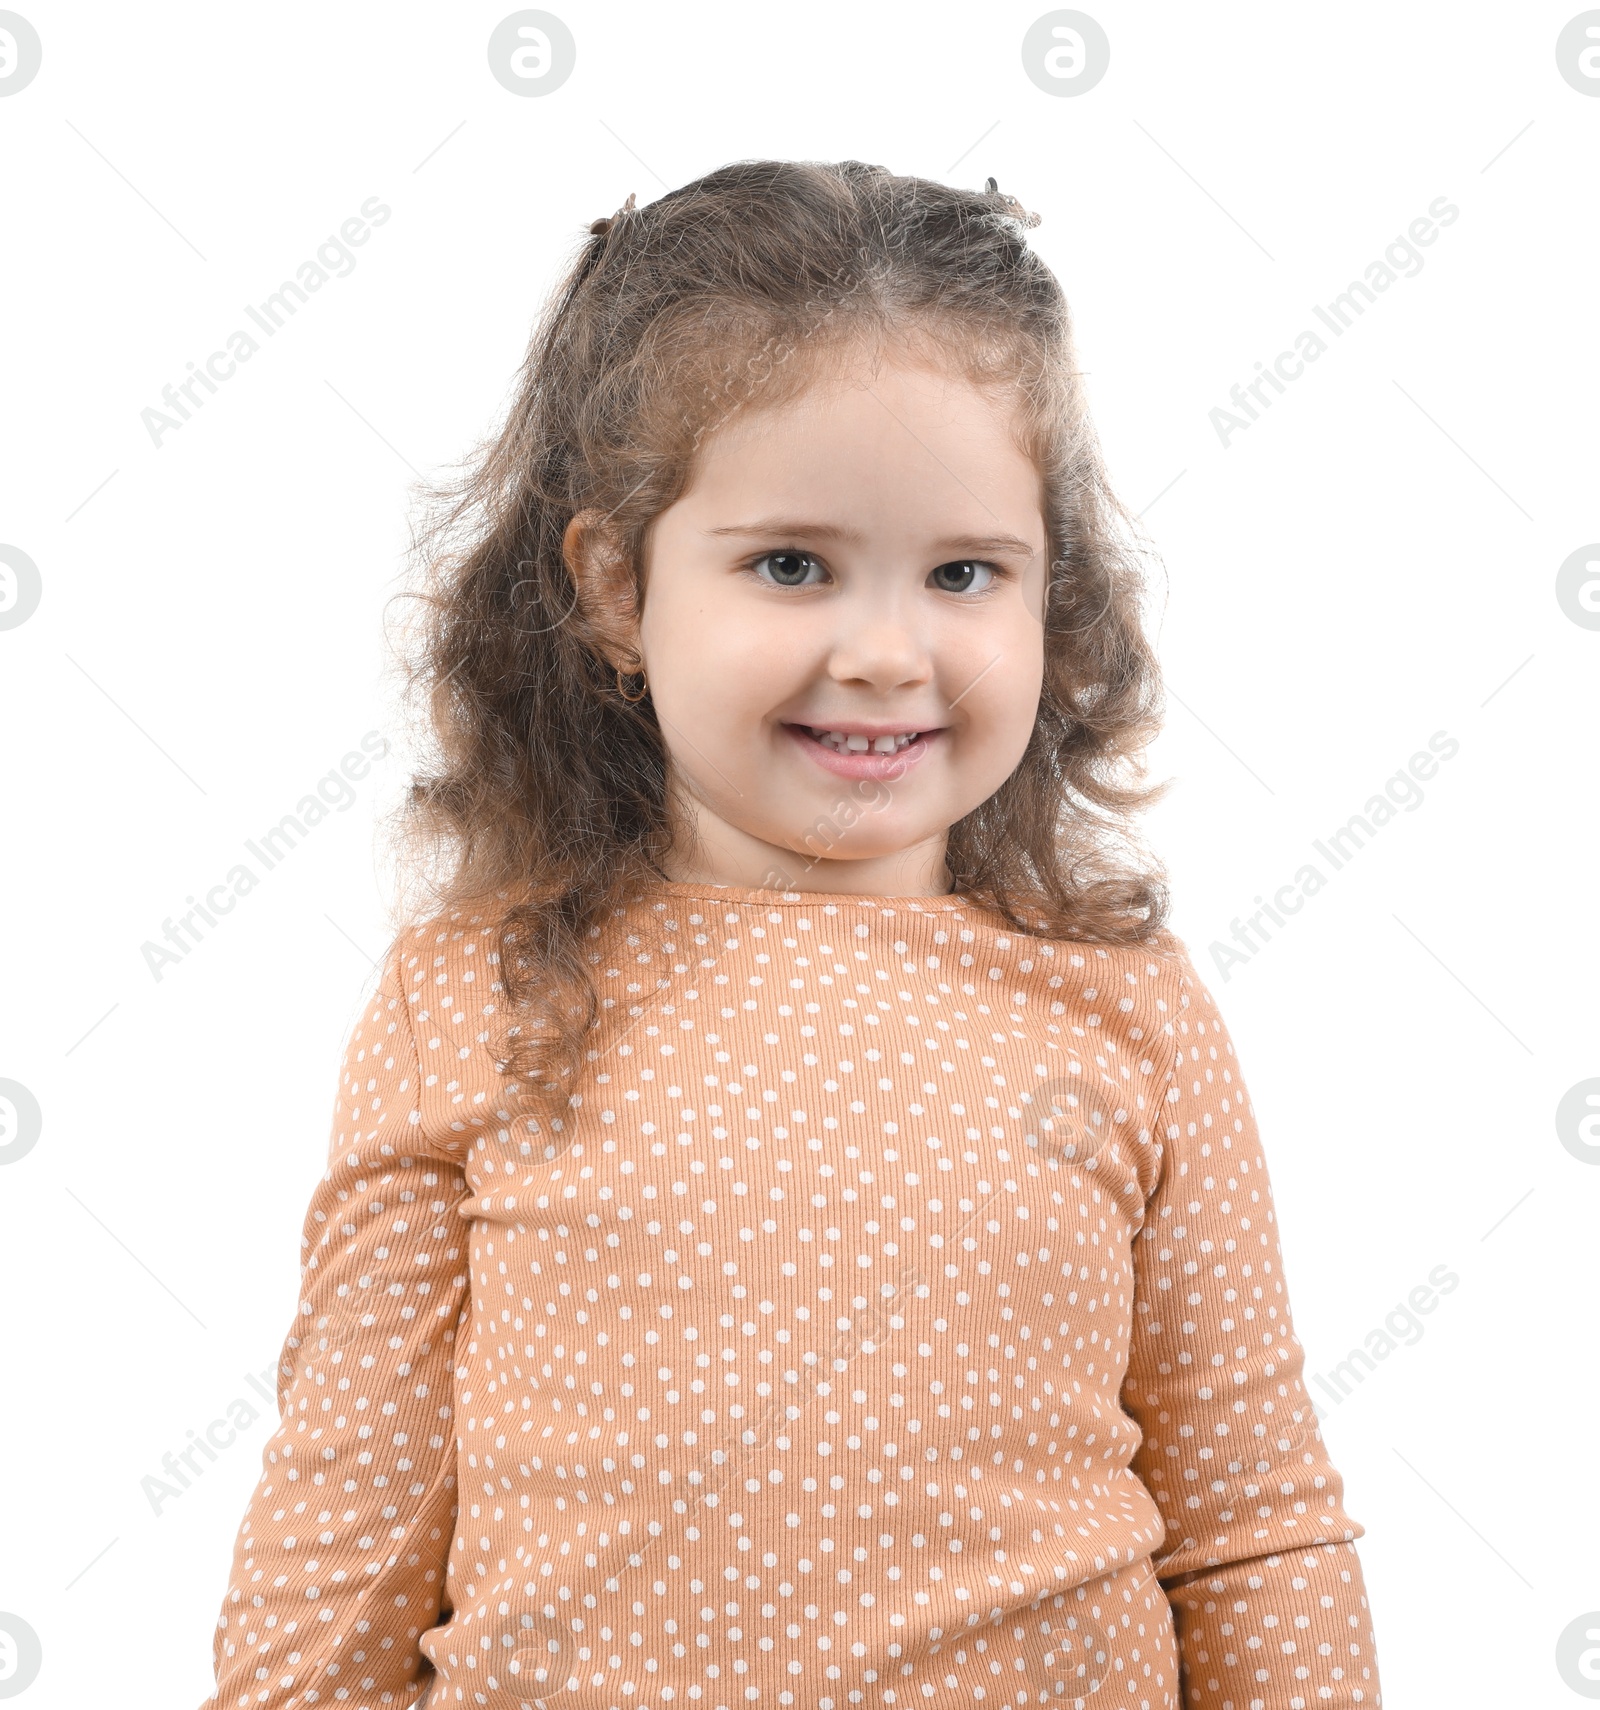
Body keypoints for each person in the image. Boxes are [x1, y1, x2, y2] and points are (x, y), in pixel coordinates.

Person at [199, 159, 1382, 1710]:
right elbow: (348, 1520)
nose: (886, 652)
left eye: (964, 573)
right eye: (790, 566)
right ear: (617, 585)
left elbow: (1251, 1525)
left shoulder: (1125, 1004)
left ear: (1051, 592)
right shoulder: (473, 987)